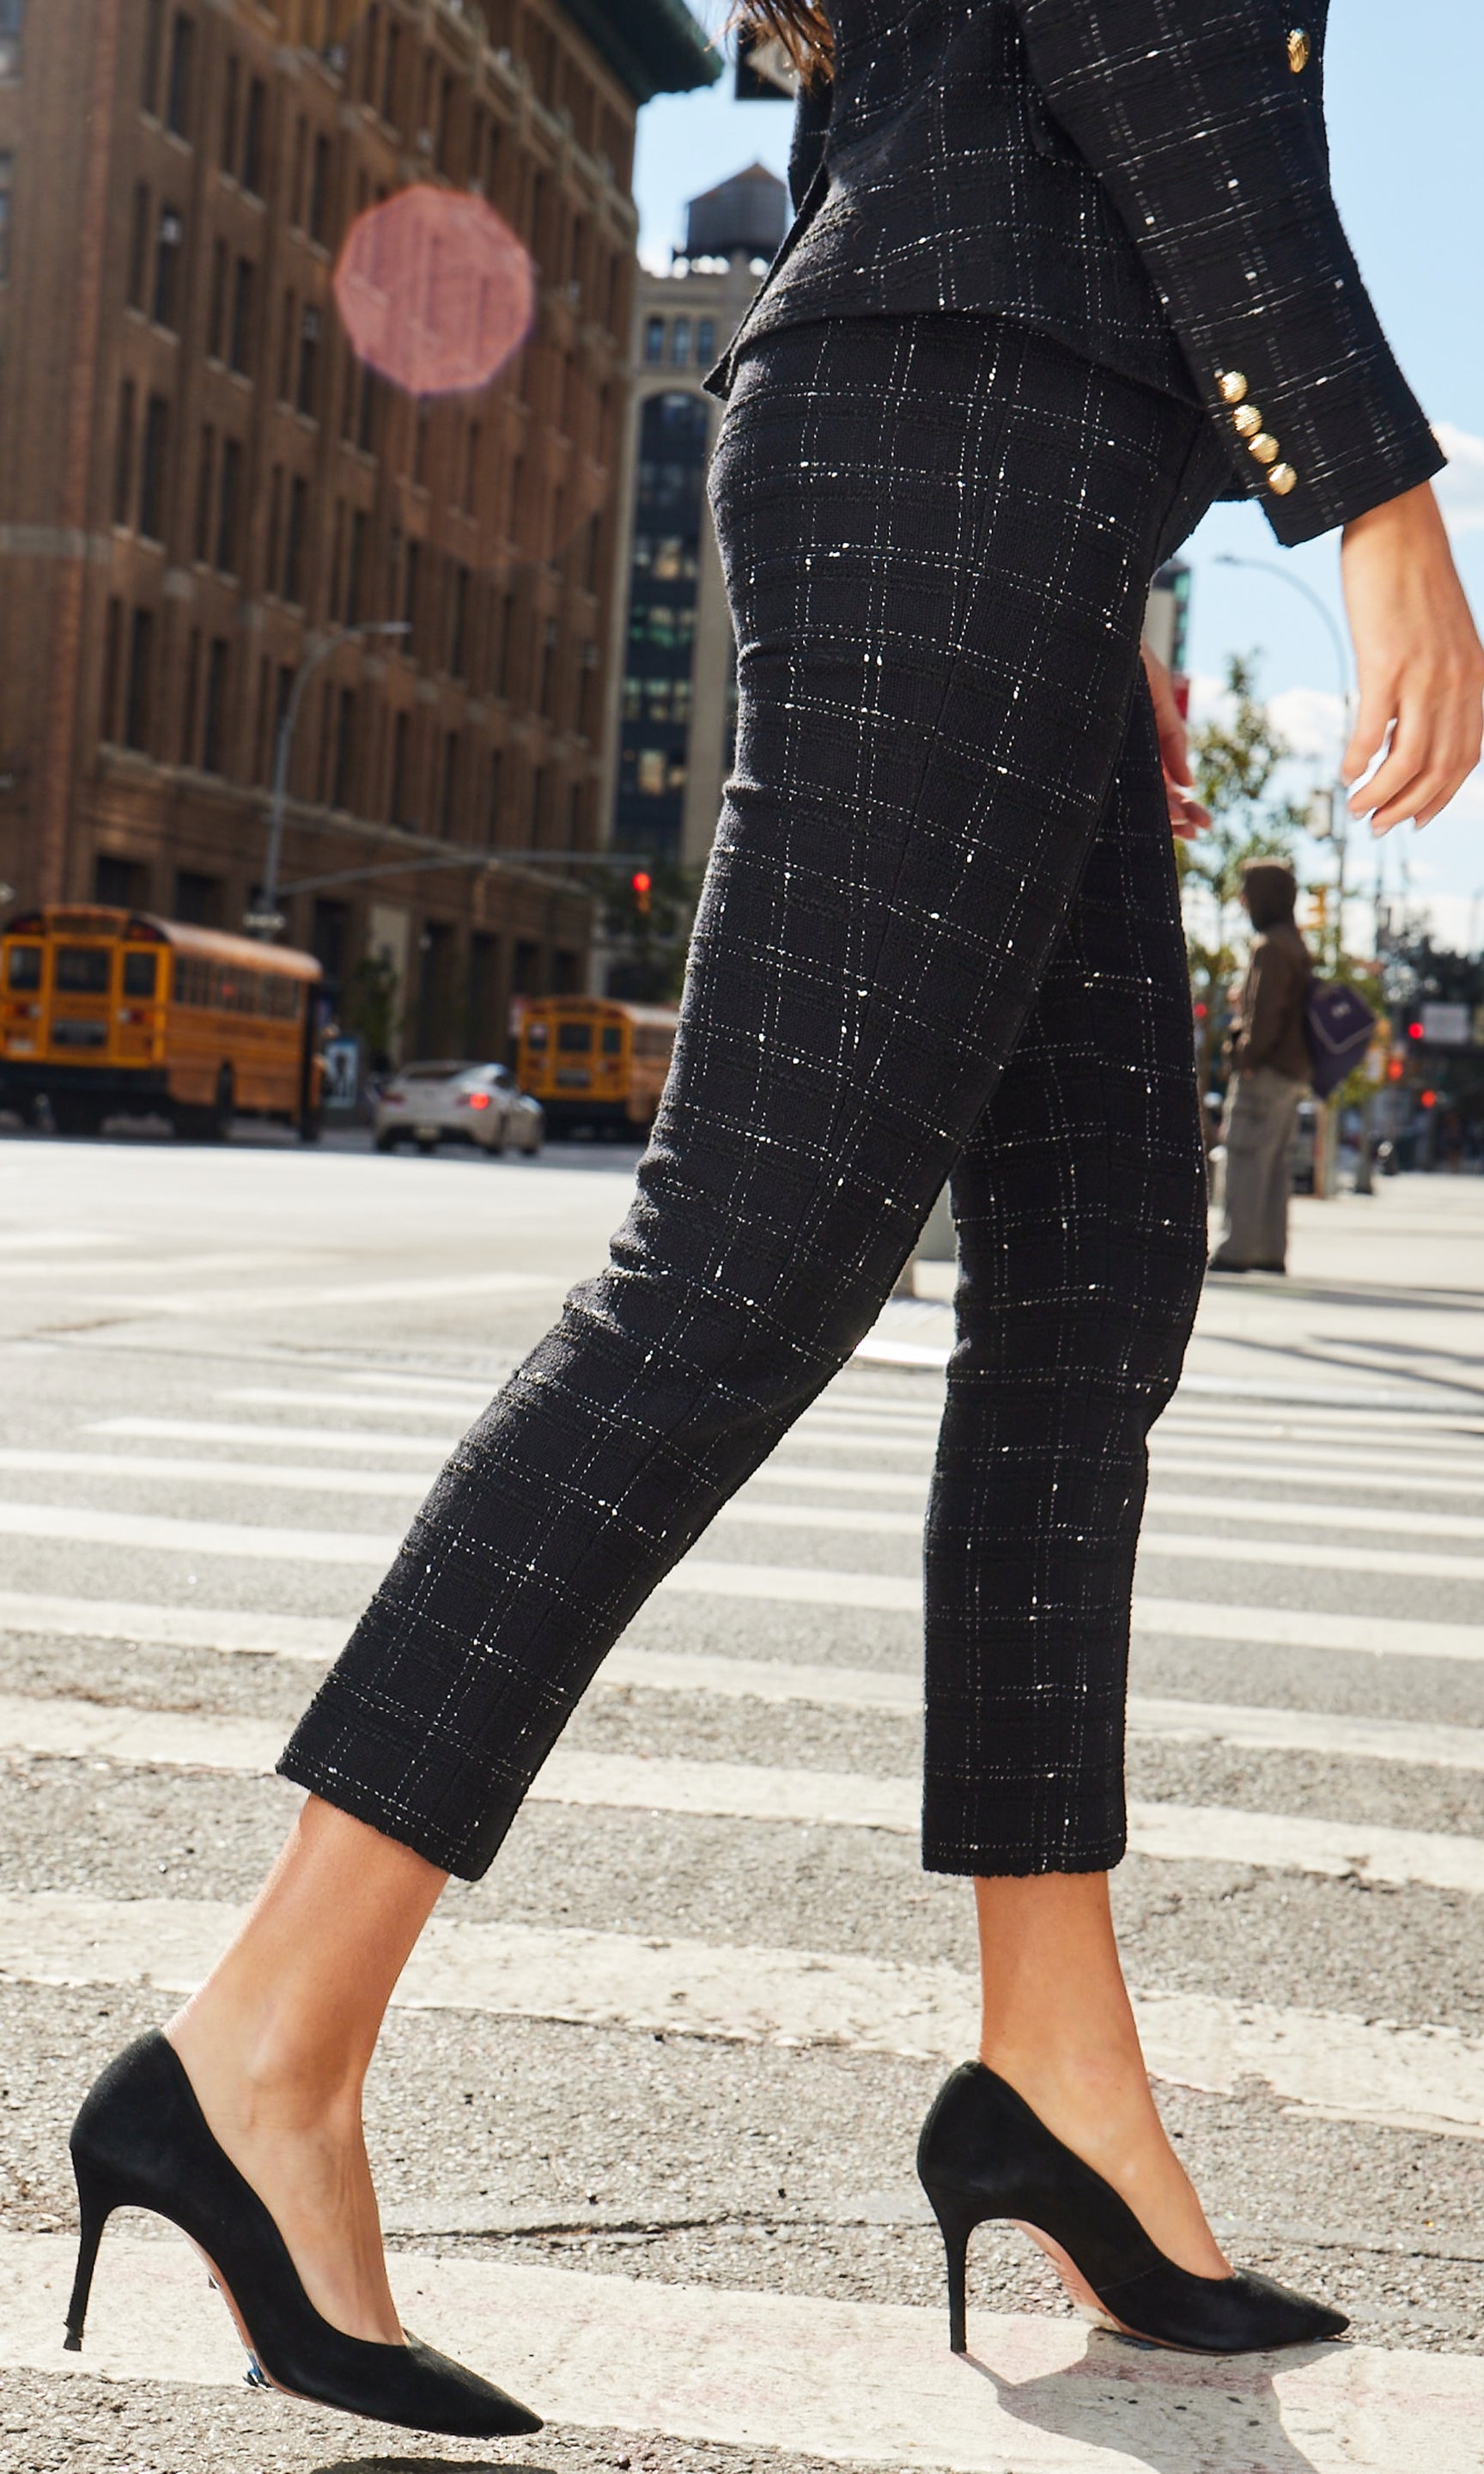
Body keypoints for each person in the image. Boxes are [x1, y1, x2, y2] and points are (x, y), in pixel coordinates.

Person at [62, 0, 1484, 2429]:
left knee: (1091, 1281)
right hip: (964, 433)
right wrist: (1369, 494)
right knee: (738, 1258)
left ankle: (1057, 2074)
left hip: (1010, 454)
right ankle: (259, 2051)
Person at [1208, 861, 1314, 1274]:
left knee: (1246, 1154)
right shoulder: (1295, 944)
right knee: (1274, 1163)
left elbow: (1266, 1017)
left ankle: (1237, 1248)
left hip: (1265, 1069)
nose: (1242, 900)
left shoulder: (1269, 947)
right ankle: (1269, 1249)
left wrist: (1245, 1057)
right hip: (1291, 1072)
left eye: (1248, 891)